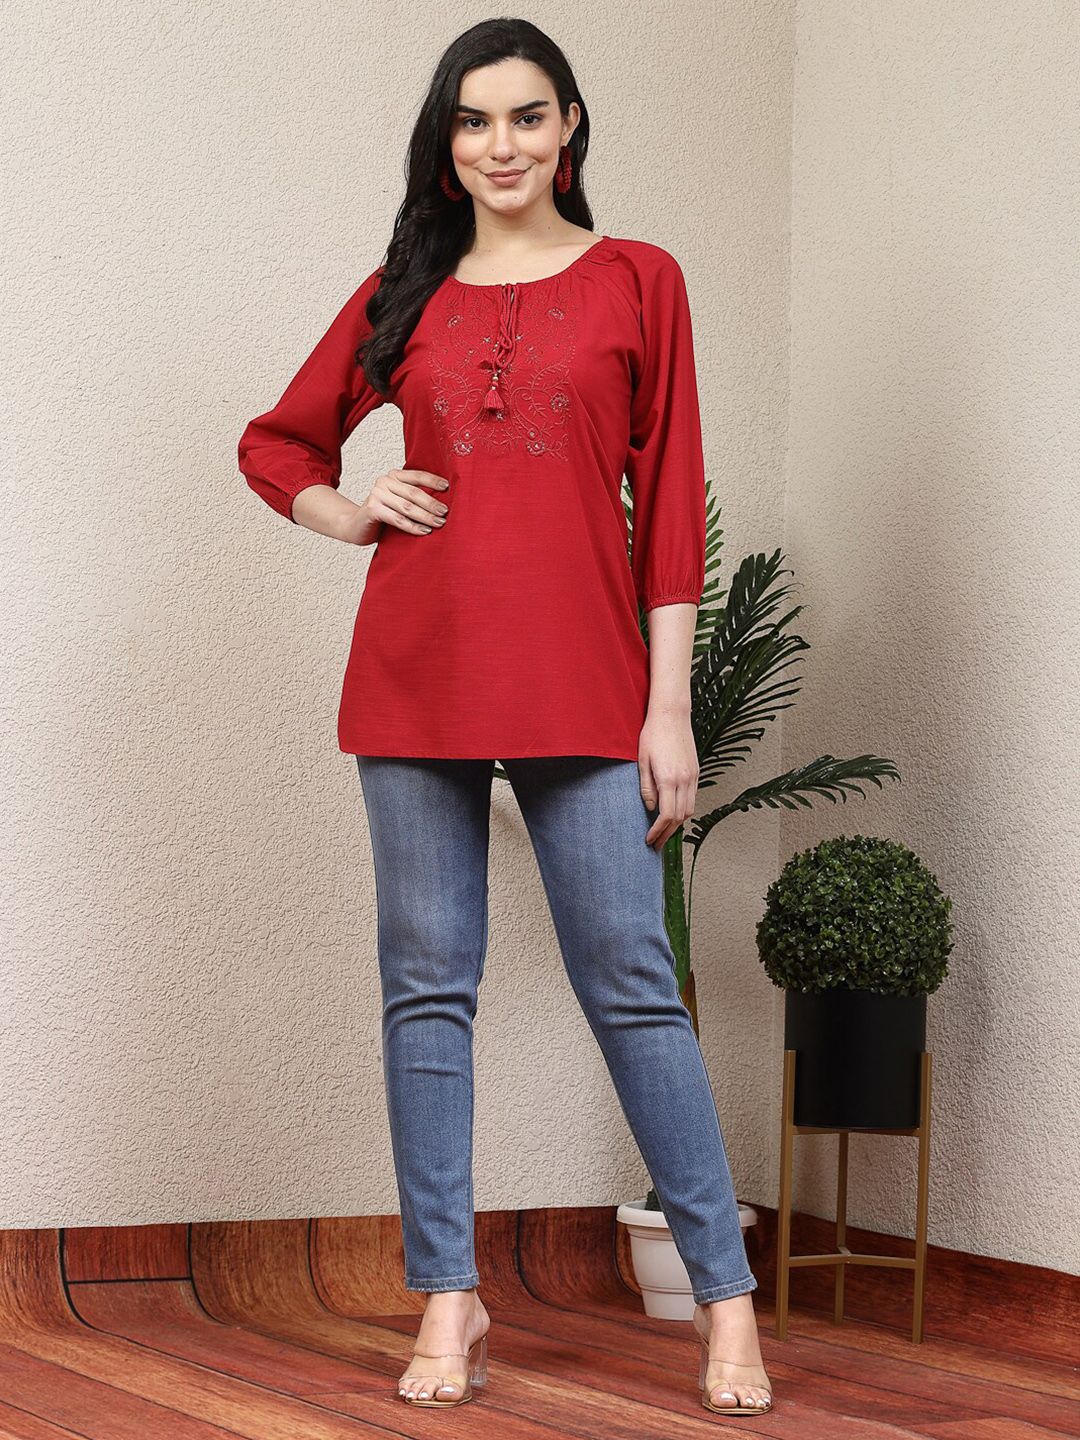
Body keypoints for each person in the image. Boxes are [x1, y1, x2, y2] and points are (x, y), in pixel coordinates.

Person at [237, 16, 774, 1419]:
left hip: (586, 680)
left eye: (528, 116)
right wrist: (350, 509)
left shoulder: (640, 279)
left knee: (631, 983)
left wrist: (669, 709)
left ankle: (725, 1301)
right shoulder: (404, 292)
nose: (502, 145)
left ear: (571, 126)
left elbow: (670, 506)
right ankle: (450, 1296)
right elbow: (278, 440)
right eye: (474, 122)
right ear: (448, 141)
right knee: (427, 988)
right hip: (415, 674)